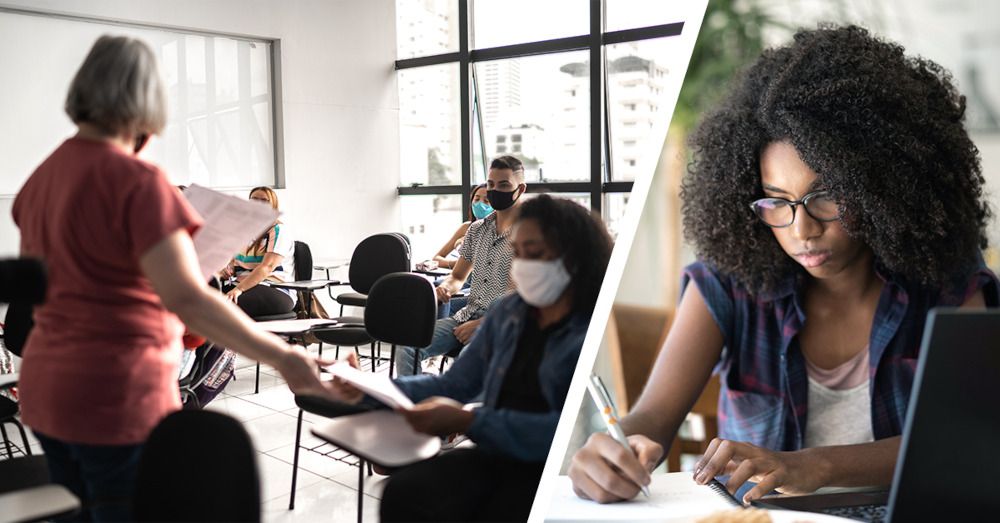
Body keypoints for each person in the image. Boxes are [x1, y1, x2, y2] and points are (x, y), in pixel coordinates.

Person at [568, 25, 998, 506]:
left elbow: (966, 439)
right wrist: (612, 451)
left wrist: (815, 464)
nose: (802, 230)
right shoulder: (727, 283)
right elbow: (652, 420)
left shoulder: (946, 281)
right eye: (777, 202)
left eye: (828, 197)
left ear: (883, 187)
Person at [11, 35, 336, 521]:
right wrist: (287, 357)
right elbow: (188, 297)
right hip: (116, 397)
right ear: (147, 103)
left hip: (48, 392)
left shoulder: (42, 179)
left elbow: (52, 288)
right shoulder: (138, 183)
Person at [331, 194, 613, 521]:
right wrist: (373, 388)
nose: (520, 265)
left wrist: (469, 421)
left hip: (558, 471)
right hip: (497, 453)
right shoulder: (509, 312)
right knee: (404, 493)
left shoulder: (592, 330)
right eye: (516, 254)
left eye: (533, 253)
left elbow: (568, 431)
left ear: (575, 258)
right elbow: (455, 383)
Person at [396, 156, 527, 376]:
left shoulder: (532, 233)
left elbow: (527, 299)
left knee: (464, 368)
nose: (495, 191)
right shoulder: (476, 230)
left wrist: (483, 325)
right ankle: (413, 407)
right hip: (468, 314)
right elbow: (457, 276)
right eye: (491, 185)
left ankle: (446, 407)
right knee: (407, 347)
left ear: (520, 189)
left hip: (504, 324)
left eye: (504, 185)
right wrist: (446, 287)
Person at [220, 186, 297, 318]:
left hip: (274, 289)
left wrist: (239, 289)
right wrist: (225, 270)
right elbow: (232, 263)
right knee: (201, 299)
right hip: (243, 286)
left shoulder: (278, 230)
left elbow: (267, 267)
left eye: (264, 201)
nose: (258, 204)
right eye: (254, 200)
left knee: (224, 306)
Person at [425, 183, 492, 270]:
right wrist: (456, 264)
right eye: (476, 199)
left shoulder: (500, 230)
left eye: (486, 201)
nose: (480, 204)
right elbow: (437, 258)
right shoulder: (466, 227)